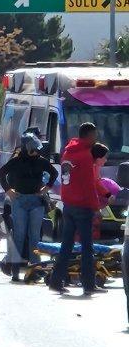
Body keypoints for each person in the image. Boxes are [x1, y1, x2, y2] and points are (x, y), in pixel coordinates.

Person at [50, 122, 104, 295]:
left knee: (66, 245)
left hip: (68, 205)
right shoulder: (86, 156)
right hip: (82, 206)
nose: (96, 138)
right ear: (88, 135)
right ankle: (88, 284)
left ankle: (56, 280)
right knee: (87, 247)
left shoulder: (68, 152)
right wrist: (96, 208)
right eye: (94, 135)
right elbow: (89, 185)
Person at [0, 133, 59, 282]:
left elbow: (54, 173)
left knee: (34, 237)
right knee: (19, 235)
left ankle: (35, 270)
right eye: (33, 148)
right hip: (19, 200)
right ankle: (15, 271)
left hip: (36, 201)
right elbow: (1, 173)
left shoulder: (41, 161)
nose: (36, 151)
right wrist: (8, 190)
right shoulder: (16, 161)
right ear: (27, 147)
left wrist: (46, 188)